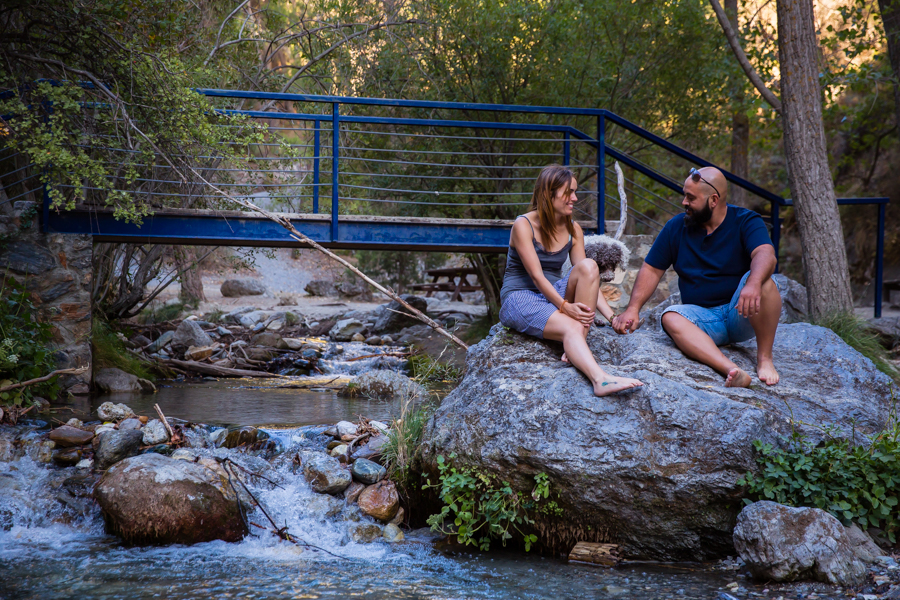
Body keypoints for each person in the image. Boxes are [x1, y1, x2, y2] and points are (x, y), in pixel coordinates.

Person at [611, 166, 781, 387]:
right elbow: (652, 269)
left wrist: (754, 283)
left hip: (741, 311)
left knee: (766, 282)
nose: (684, 202)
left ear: (713, 200)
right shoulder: (676, 227)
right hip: (703, 321)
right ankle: (732, 370)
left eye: (691, 197)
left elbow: (765, 253)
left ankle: (765, 359)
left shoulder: (746, 220)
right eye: (684, 195)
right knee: (670, 317)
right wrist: (633, 308)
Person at [499, 164, 643, 396]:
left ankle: (577, 343)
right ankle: (600, 379)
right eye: (569, 192)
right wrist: (566, 307)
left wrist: (612, 317)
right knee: (570, 326)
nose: (575, 198)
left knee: (588, 265)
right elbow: (536, 276)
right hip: (520, 297)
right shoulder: (523, 225)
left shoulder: (572, 228)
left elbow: (589, 276)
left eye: (575, 192)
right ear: (548, 193)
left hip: (554, 295)